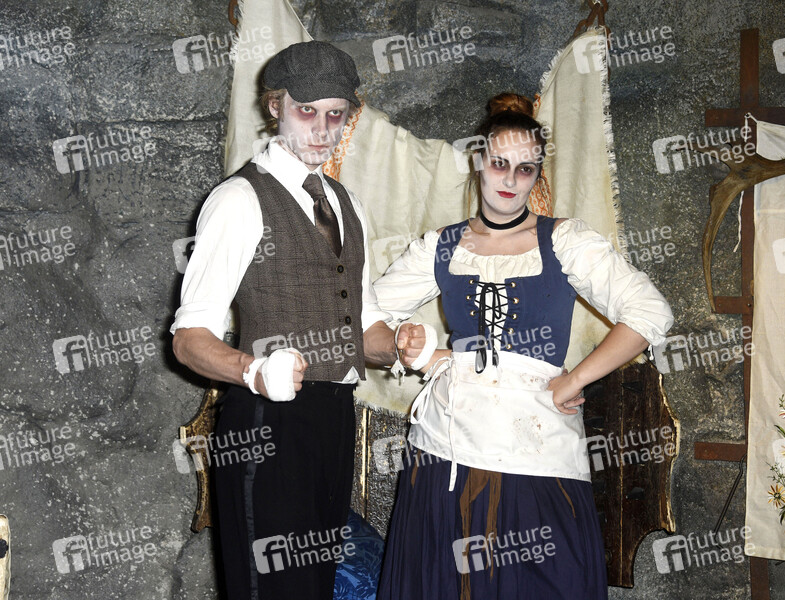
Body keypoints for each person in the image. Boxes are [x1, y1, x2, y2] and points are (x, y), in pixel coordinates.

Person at [372, 93, 674, 599]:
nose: (510, 180)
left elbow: (651, 312)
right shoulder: (440, 245)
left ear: (537, 175)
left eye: (525, 168)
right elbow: (368, 318)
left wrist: (576, 379)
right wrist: (418, 352)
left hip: (537, 447)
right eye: (499, 164)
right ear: (478, 161)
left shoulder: (565, 240)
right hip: (447, 447)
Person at [170, 41, 408, 600]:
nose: (322, 130)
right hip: (264, 425)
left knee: (313, 589)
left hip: (335, 417)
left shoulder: (346, 203)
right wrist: (253, 371)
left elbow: (363, 326)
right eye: (307, 111)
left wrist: (401, 344)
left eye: (336, 114)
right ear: (276, 106)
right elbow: (188, 339)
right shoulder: (238, 199)